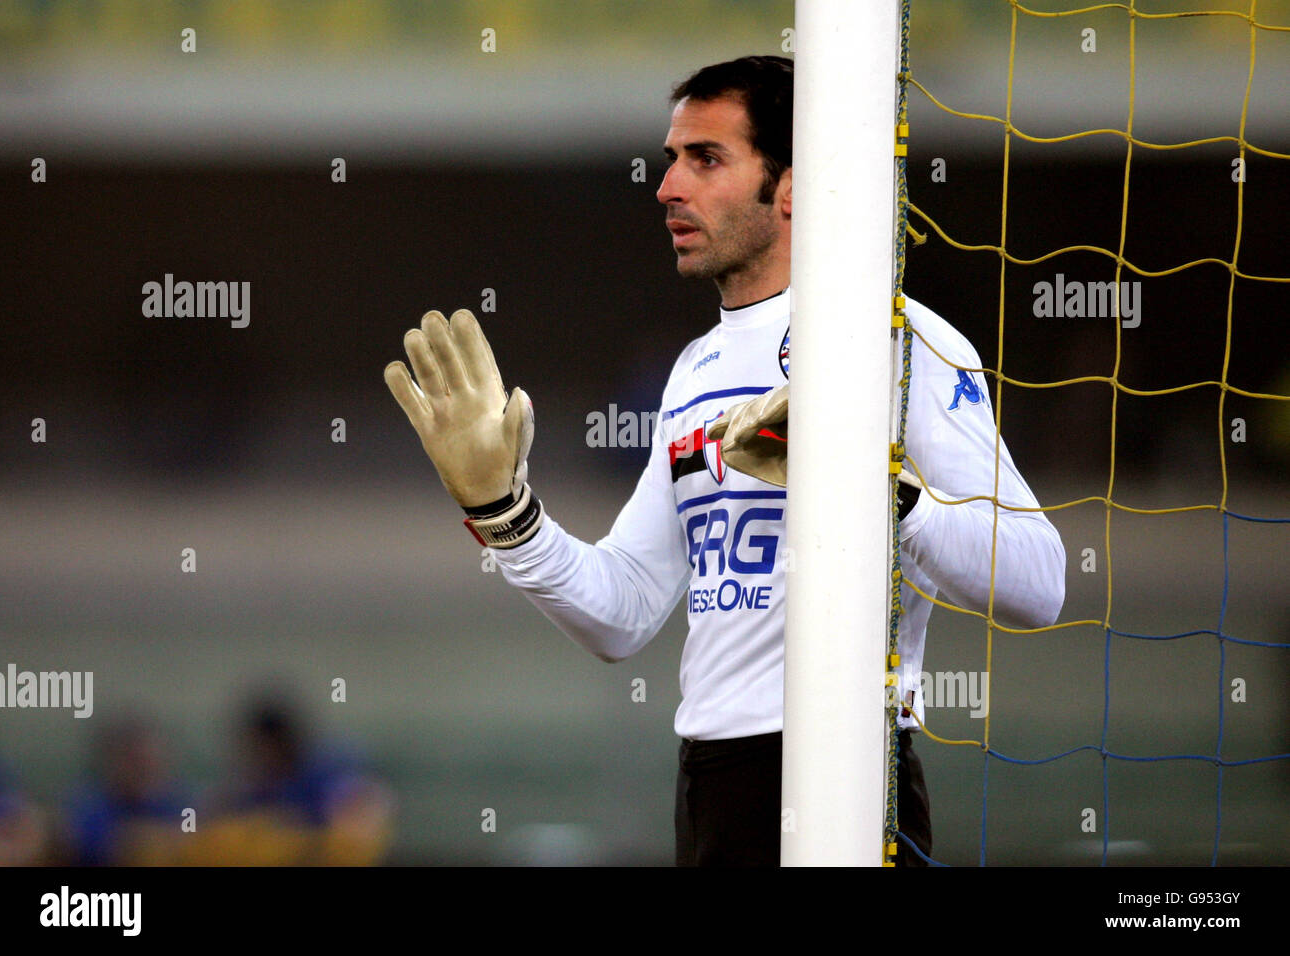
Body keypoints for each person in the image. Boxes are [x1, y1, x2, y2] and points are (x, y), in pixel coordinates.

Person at [384, 55, 1066, 866]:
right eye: (672, 158)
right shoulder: (694, 371)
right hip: (710, 783)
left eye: (705, 159)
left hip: (844, 772)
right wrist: (506, 514)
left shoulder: (899, 341)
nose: (668, 187)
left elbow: (1039, 584)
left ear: (793, 187)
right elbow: (625, 610)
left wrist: (875, 487)